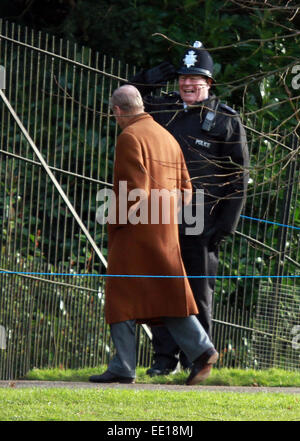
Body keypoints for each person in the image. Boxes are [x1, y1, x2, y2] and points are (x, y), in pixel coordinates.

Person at [131, 41, 249, 376]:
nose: (187, 84)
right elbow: (126, 102)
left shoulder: (226, 120)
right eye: (183, 77)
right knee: (160, 289)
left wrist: (225, 226)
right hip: (160, 216)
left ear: (209, 83)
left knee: (197, 293)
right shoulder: (163, 107)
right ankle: (163, 361)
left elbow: (239, 177)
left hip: (202, 218)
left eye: (195, 79)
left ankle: (197, 363)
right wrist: (145, 79)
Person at [89, 85, 218, 385]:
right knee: (166, 295)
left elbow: (133, 192)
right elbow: (187, 193)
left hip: (136, 234)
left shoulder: (129, 137)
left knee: (120, 294)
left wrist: (112, 221)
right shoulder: (166, 136)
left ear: (118, 111)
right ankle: (202, 349)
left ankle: (123, 365)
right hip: (166, 231)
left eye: (113, 114)